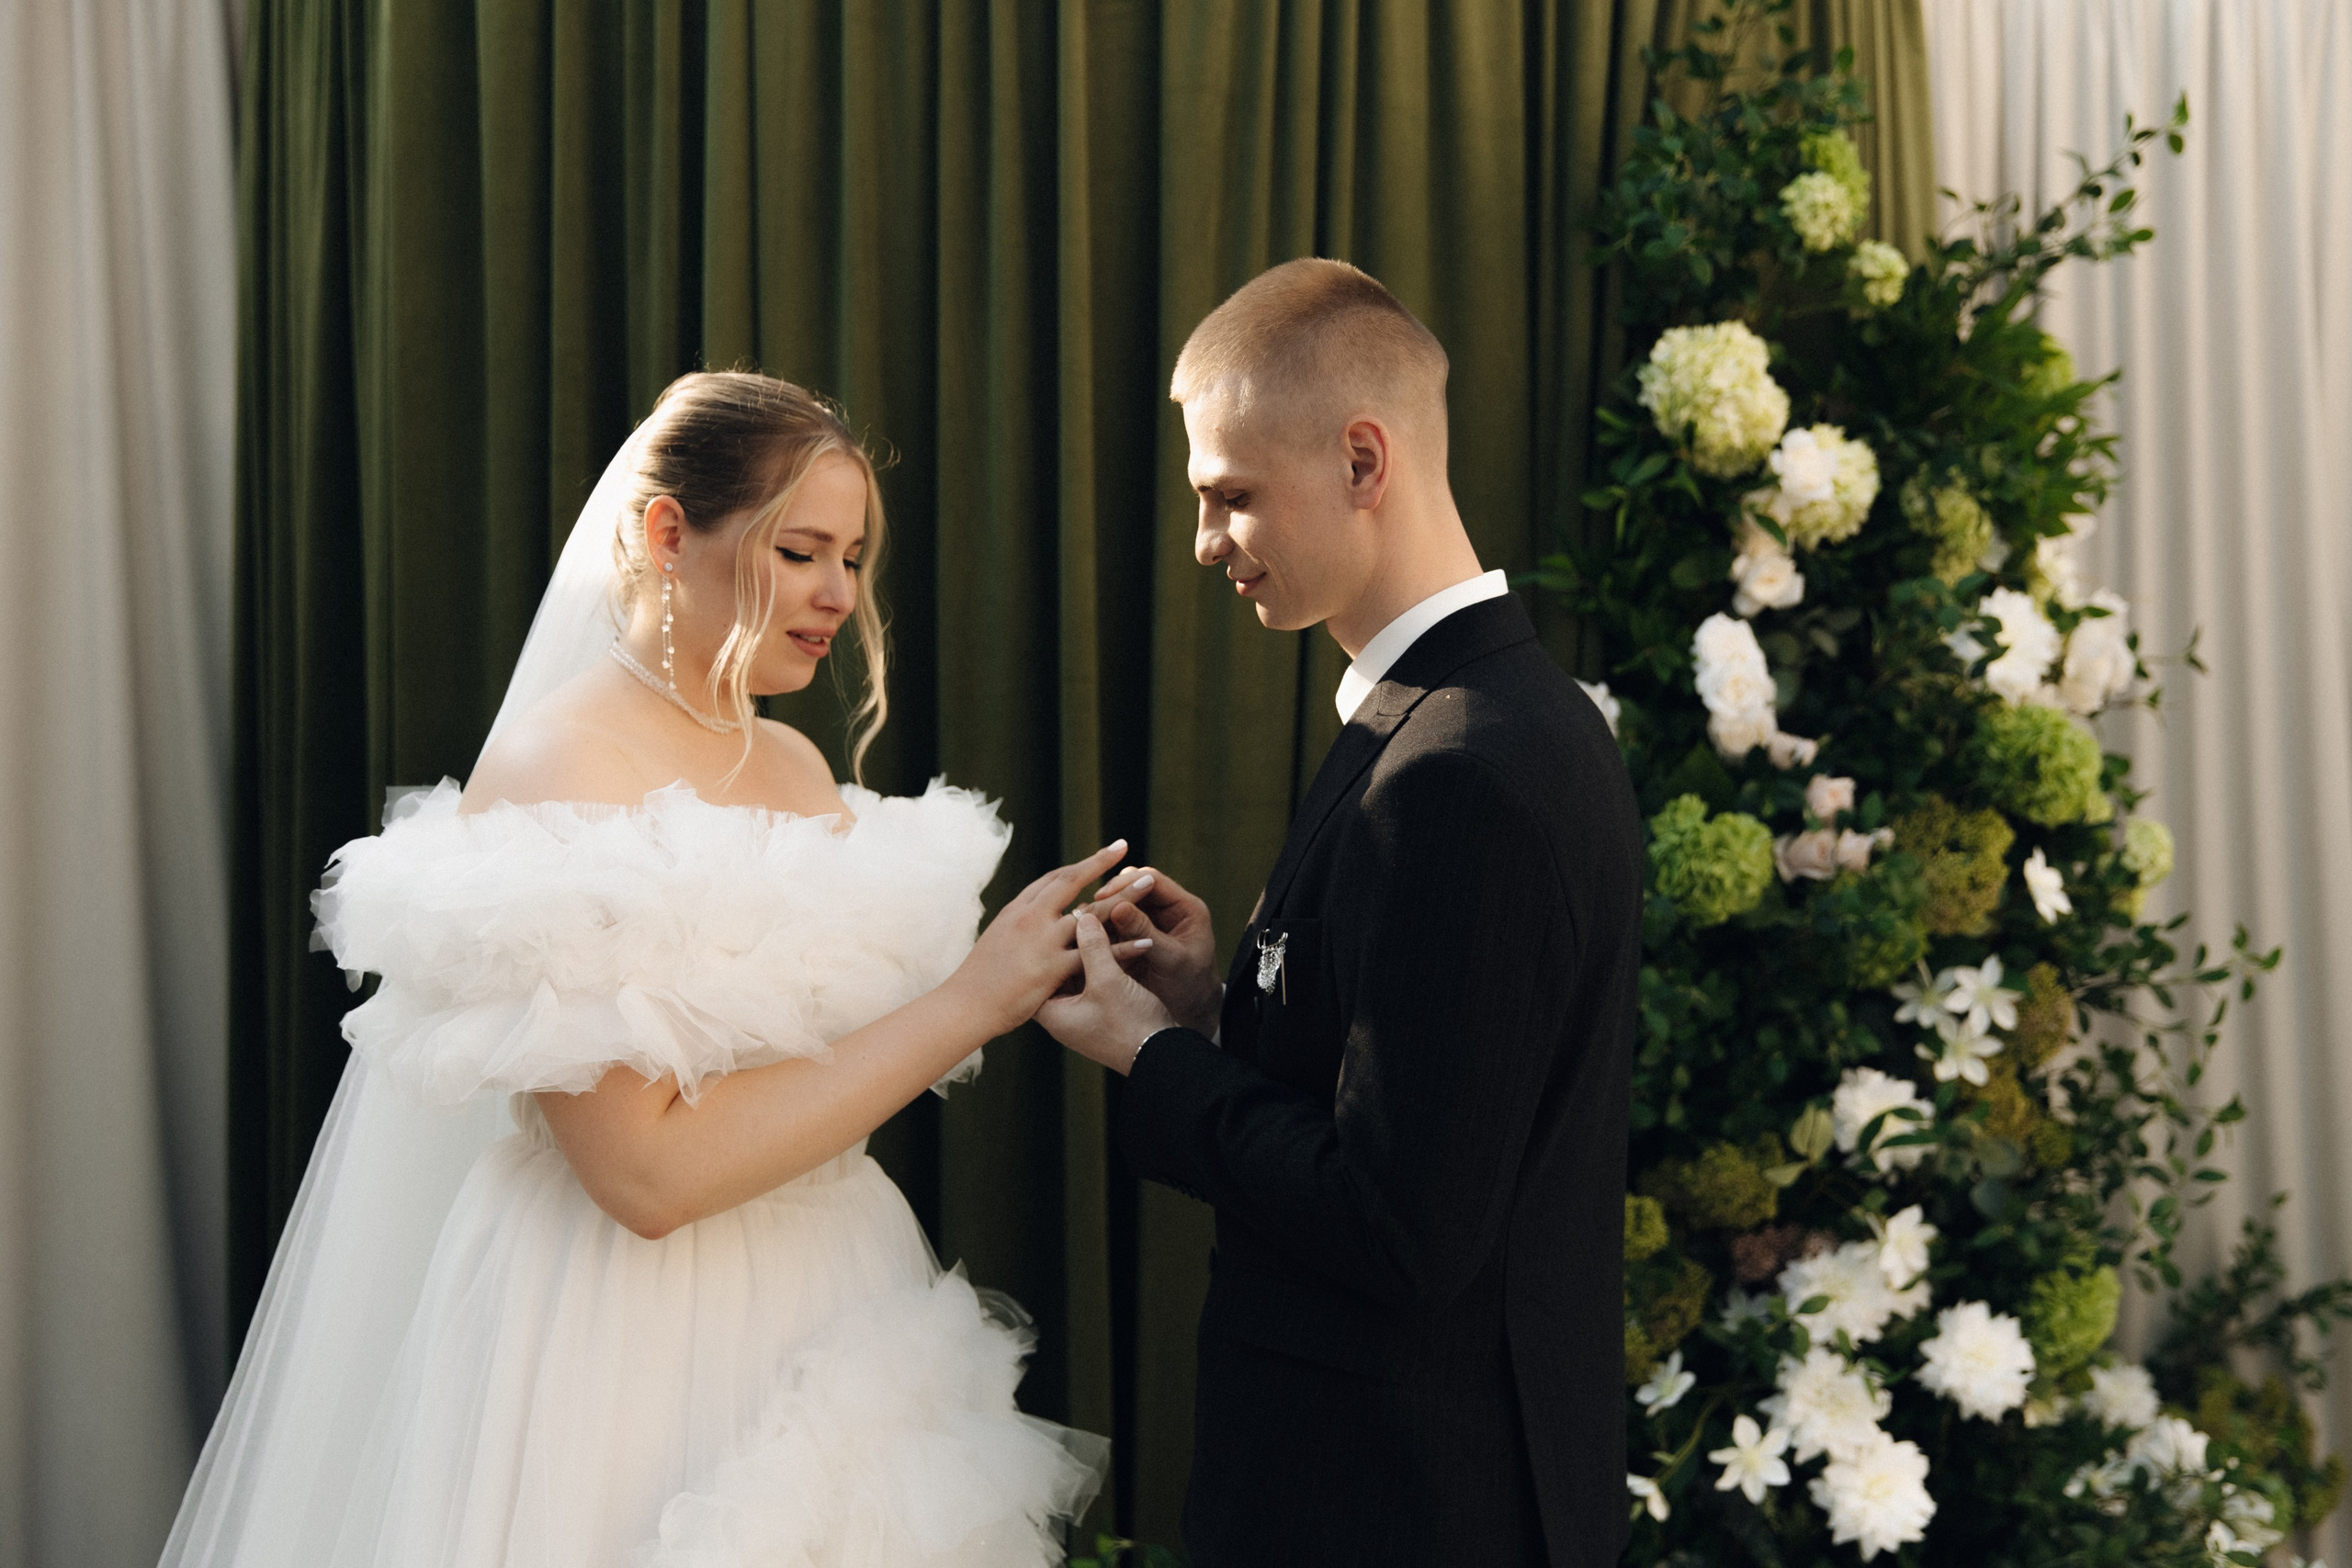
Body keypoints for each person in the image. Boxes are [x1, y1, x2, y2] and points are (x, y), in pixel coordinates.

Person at [162, 371, 1110, 1567]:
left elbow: (829, 1076)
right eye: (800, 551)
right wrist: (971, 1002)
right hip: (622, 1329)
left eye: (853, 557)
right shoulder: (562, 771)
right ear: (668, 533)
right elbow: (647, 1176)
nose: (838, 594)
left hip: (837, 1291)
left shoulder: (798, 769)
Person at [1038, 259, 1644, 1568]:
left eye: (1232, 496)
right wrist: (1221, 1009)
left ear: (1363, 461)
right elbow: (1422, 1097)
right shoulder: (1480, 715)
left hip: (1399, 1508)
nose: (1206, 542)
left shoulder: (1459, 769)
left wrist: (1158, 1058)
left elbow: (1402, 1228)